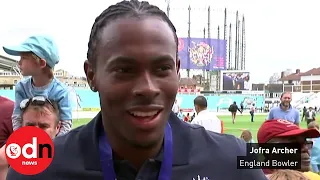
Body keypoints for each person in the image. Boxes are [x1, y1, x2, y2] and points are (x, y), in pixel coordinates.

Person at [7, 1, 266, 179]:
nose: (147, 88)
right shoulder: (37, 169)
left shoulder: (235, 160)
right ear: (91, 76)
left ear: (177, 71)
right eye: (124, 70)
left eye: (162, 68)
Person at [3, 35, 72, 136]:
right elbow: (17, 117)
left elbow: (66, 124)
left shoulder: (61, 91)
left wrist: (55, 146)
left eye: (24, 58)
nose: (19, 62)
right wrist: (21, 139)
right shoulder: (21, 87)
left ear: (41, 63)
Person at [0, 96, 60, 179]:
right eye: (30, 125)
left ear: (57, 127)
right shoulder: (7, 157)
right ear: (22, 125)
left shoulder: (69, 158)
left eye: (43, 126)